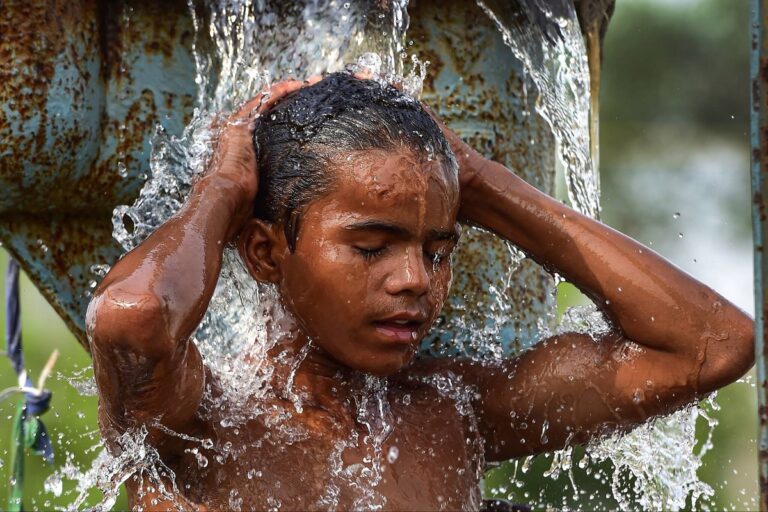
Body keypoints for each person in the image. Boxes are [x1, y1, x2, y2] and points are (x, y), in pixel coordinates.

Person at [87, 72, 754, 511]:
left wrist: (482, 183)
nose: (415, 280)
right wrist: (223, 188)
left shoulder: (452, 412)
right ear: (264, 250)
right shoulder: (199, 421)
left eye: (438, 251)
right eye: (371, 248)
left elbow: (711, 344)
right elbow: (133, 317)